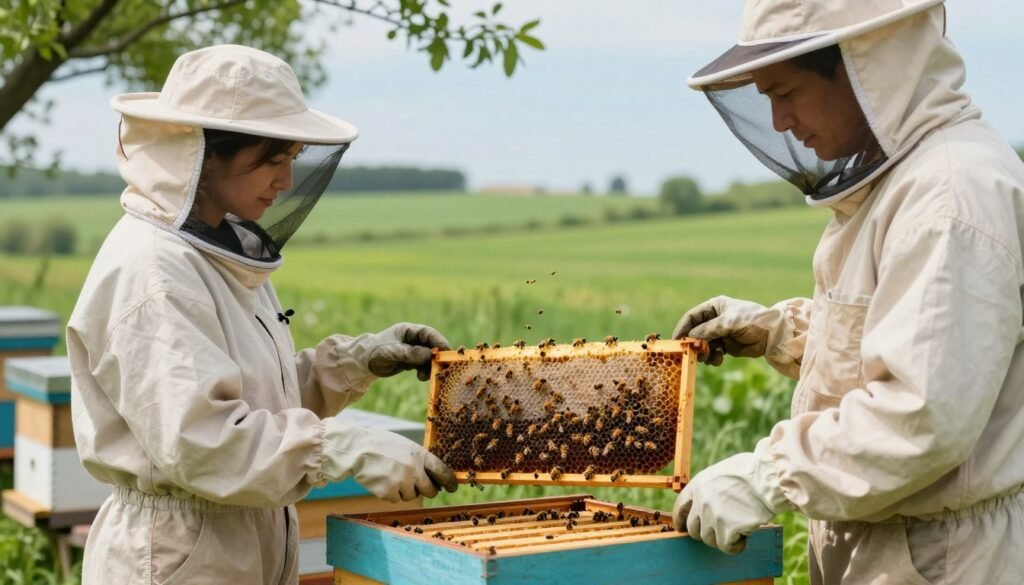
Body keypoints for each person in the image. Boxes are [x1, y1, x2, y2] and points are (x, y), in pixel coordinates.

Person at [66, 44, 457, 584]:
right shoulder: (154, 271)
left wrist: (353, 363)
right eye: (273, 159)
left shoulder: (215, 252)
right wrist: (343, 447)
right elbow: (201, 440)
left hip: (239, 540)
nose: (286, 180)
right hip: (179, 556)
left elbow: (253, 399)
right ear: (205, 155)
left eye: (293, 157)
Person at [671, 0, 1024, 582]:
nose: (779, 121)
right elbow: (909, 338)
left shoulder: (950, 195)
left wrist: (768, 475)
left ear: (866, 68)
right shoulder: (909, 182)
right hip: (901, 547)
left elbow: (920, 414)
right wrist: (780, 332)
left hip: (946, 560)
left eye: (785, 91)